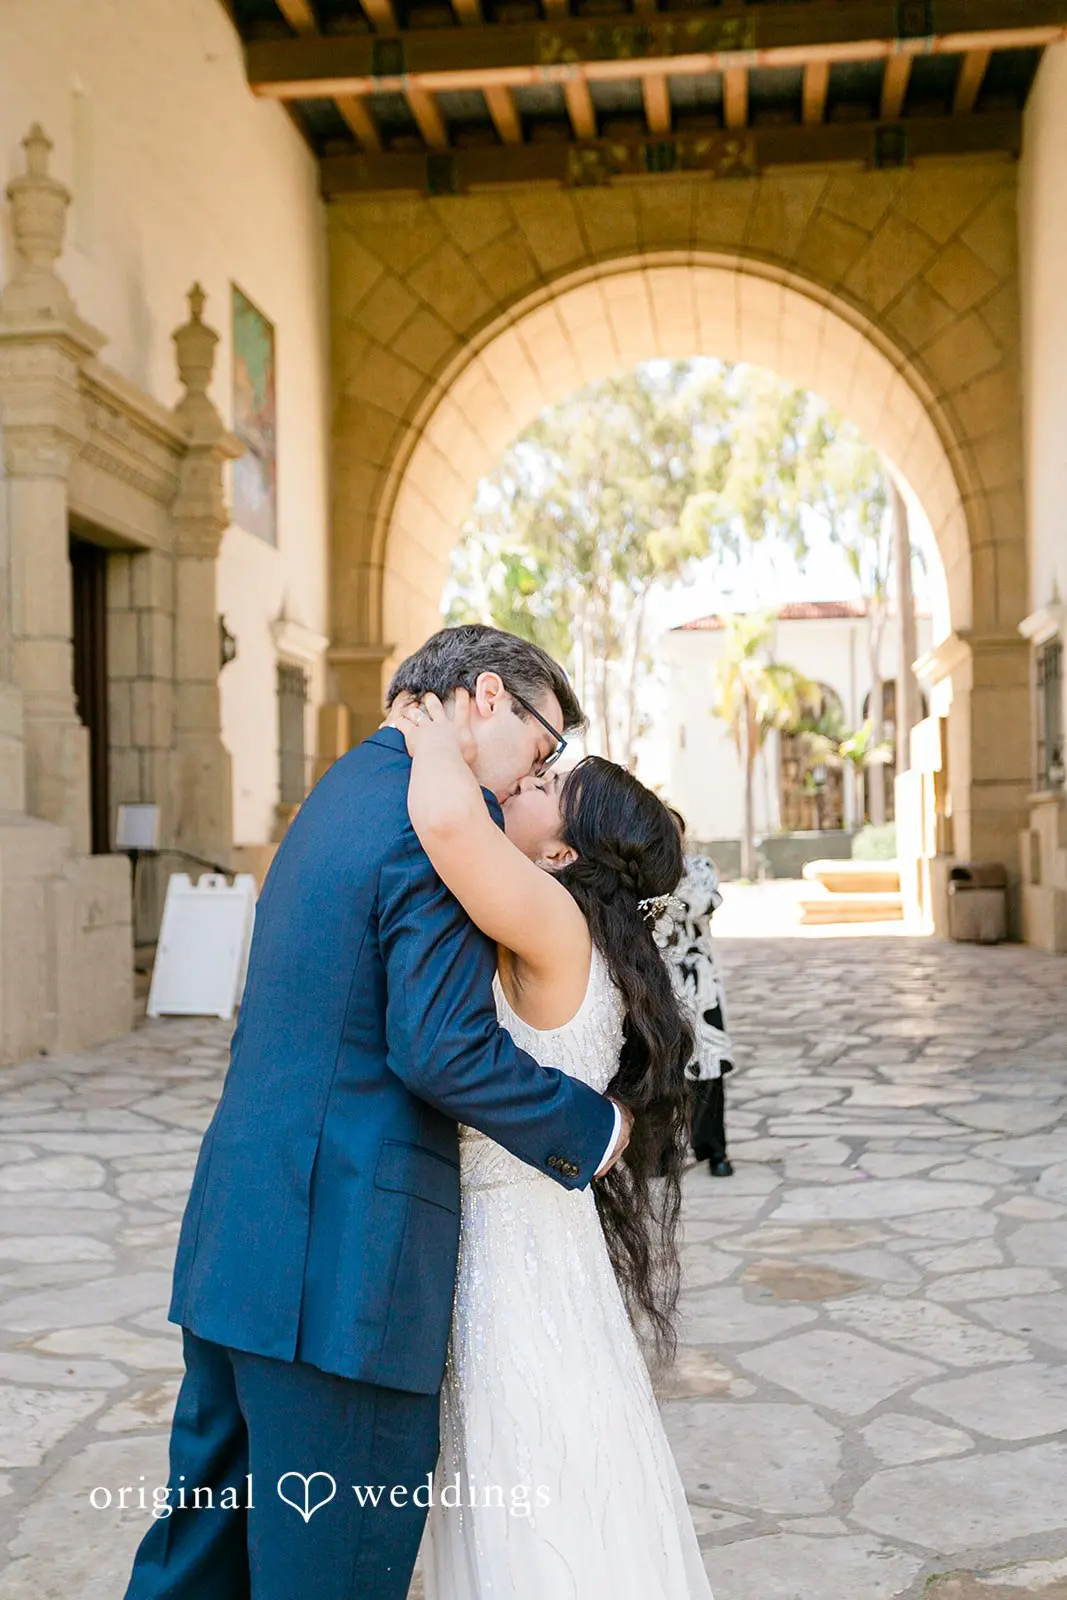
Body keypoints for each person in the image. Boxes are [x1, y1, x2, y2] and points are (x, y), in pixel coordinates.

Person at [122, 626, 633, 1600]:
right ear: (489, 697)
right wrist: (594, 1128)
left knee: (197, 1566)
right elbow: (440, 1048)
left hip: (242, 1241)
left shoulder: (336, 791)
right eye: (541, 745)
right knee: (334, 1573)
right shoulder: (434, 821)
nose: (531, 772)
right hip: (341, 1274)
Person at [393, 691, 714, 1599]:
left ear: (563, 853)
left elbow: (447, 826)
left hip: (507, 1252)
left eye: (546, 786)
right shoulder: (584, 935)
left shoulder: (549, 917)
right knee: (563, 1468)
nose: (524, 783)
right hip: (546, 1242)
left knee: (526, 1477)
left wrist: (430, 735)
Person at [662, 808, 737, 1178]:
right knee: (661, 1069)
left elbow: (704, 903)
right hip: (659, 984)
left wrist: (664, 895)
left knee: (709, 1069)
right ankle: (660, 1153)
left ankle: (713, 1149)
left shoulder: (700, 867)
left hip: (701, 986)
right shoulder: (638, 871)